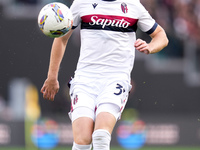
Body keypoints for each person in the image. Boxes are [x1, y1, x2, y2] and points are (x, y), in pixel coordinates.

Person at [41, 0, 169, 149]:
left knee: (101, 135)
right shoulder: (82, 3)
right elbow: (62, 38)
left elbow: (161, 36)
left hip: (115, 80)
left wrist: (150, 47)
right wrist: (52, 76)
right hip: (85, 79)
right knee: (82, 140)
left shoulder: (133, 5)